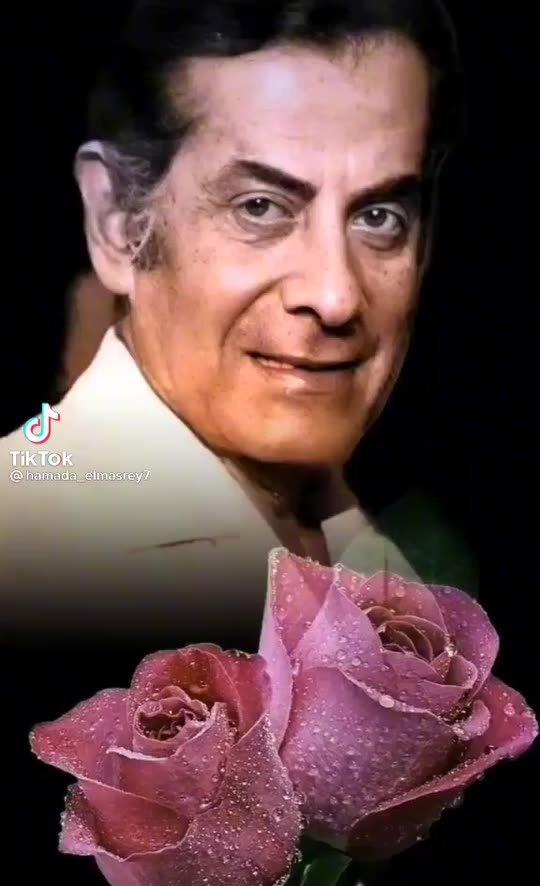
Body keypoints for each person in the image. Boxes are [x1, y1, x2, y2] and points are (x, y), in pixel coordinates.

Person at [0, 0, 473, 641]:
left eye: (378, 217)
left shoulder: (373, 548)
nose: (335, 296)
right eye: (259, 207)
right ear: (117, 223)